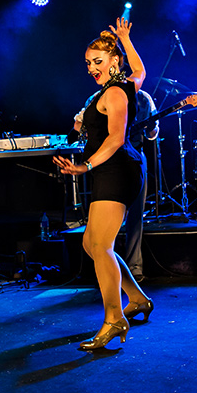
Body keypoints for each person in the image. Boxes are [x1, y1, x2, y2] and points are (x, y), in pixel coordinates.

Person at [54, 18, 153, 351]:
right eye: (88, 63)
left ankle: (114, 319)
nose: (91, 68)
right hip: (110, 170)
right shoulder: (123, 86)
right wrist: (125, 38)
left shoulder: (115, 92)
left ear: (114, 62)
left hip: (117, 170)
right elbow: (140, 71)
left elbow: (116, 138)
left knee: (101, 247)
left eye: (97, 61)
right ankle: (137, 299)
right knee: (92, 244)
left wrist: (85, 165)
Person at [75, 89, 158, 280]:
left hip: (134, 157)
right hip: (108, 161)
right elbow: (79, 125)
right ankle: (107, 265)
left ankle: (134, 267)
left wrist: (152, 127)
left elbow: (152, 135)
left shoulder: (143, 98)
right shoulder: (96, 97)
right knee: (102, 221)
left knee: (135, 214)